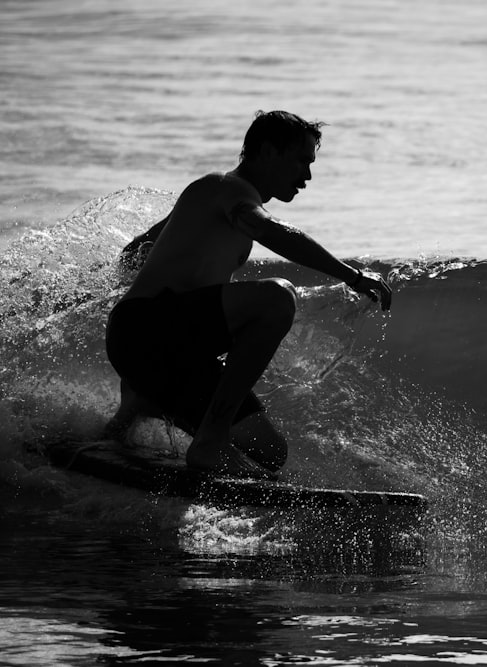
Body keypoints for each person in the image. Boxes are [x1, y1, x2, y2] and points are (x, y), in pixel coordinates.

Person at [104, 110, 392, 478]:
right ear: (269, 151)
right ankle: (210, 437)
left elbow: (133, 254)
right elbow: (267, 230)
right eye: (302, 161)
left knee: (270, 452)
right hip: (147, 335)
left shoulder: (207, 196)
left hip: (171, 353)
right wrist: (351, 276)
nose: (307, 175)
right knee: (277, 297)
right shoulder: (228, 189)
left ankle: (140, 406)